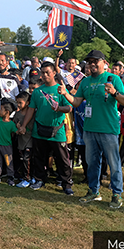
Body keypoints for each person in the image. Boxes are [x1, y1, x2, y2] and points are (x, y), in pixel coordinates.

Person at [59, 50, 124, 209]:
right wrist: (65, 93)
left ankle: (117, 194)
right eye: (89, 62)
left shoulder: (114, 79)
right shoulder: (85, 82)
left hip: (108, 129)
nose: (92, 64)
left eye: (95, 61)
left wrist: (114, 92)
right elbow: (76, 102)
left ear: (104, 62)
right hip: (89, 129)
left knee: (113, 163)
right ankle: (93, 191)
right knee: (92, 163)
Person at [19, 61, 74, 194]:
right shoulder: (37, 91)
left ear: (54, 73)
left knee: (62, 159)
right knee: (38, 157)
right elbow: (31, 109)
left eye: (47, 73)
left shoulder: (60, 90)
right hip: (39, 130)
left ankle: (66, 184)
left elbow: (69, 107)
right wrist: (24, 125)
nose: (44, 75)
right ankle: (39, 179)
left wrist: (59, 108)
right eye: (42, 73)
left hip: (57, 131)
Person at [13, 92, 34, 187]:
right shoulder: (17, 114)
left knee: (27, 159)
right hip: (21, 141)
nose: (18, 105)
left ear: (27, 103)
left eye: (20, 103)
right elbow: (14, 127)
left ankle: (27, 178)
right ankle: (25, 176)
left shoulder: (33, 114)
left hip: (30, 140)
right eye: (17, 102)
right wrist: (17, 128)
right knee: (22, 159)